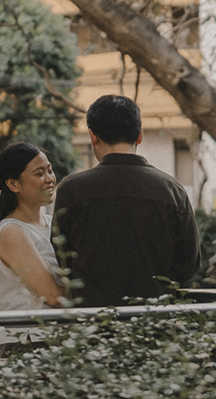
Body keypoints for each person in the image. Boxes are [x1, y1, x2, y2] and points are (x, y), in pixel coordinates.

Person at [54, 95, 200, 306]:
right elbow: (188, 264)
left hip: (90, 318)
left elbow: (62, 257)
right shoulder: (172, 190)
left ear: (93, 136)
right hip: (155, 317)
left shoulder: (71, 190)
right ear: (139, 135)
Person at [0, 142, 67, 342]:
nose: (49, 179)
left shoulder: (52, 223)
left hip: (54, 339)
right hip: (28, 342)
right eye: (39, 173)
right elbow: (53, 296)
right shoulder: (12, 231)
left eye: (50, 170)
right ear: (13, 184)